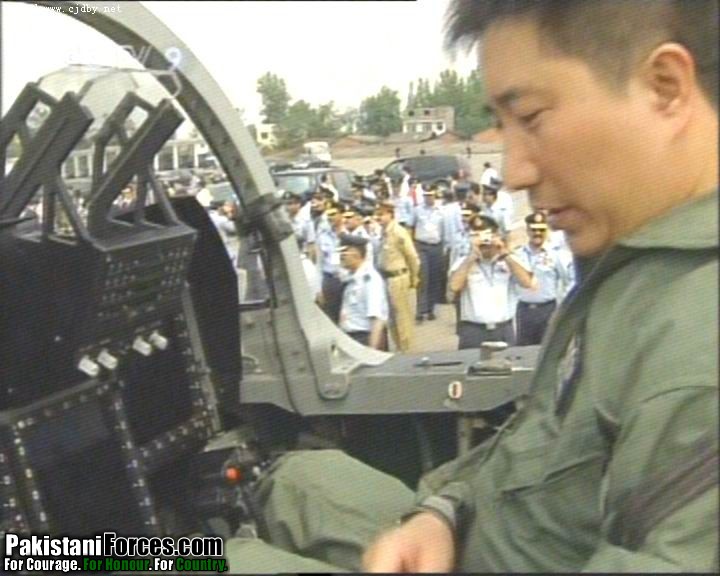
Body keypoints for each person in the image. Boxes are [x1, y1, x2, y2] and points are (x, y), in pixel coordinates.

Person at [227, 0, 718, 573]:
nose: (513, 173)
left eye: (531, 117)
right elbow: (537, 449)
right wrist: (443, 510)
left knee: (163, 559)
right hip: (481, 537)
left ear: (665, 87)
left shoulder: (695, 340)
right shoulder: (638, 274)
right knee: (299, 480)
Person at [447, 215, 536, 348]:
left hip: (503, 329)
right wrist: (472, 256)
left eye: (486, 235)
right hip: (473, 330)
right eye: (476, 235)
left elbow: (527, 283)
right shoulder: (463, 263)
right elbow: (454, 286)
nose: (484, 242)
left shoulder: (510, 261)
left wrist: (505, 254)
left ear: (496, 235)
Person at [514, 211, 572, 345]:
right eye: (533, 230)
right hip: (524, 311)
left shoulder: (556, 254)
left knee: (547, 349)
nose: (537, 233)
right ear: (527, 231)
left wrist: (563, 306)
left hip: (547, 310)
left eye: (541, 229)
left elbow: (570, 279)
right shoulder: (518, 254)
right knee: (523, 353)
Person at [375, 201, 420, 352]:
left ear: (390, 214)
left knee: (402, 318)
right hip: (386, 278)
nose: (378, 217)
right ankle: (399, 347)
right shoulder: (383, 232)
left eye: (381, 214)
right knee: (391, 318)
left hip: (398, 277)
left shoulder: (398, 232)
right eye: (377, 214)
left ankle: (407, 351)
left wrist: (414, 278)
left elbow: (412, 257)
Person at [337, 234, 388, 350]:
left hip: (364, 338)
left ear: (356, 254)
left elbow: (377, 319)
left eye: (344, 252)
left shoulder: (370, 280)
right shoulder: (353, 277)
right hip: (352, 338)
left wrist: (372, 351)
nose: (341, 256)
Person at [412, 186, 445, 322]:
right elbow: (411, 226)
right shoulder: (417, 210)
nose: (428, 198)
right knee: (422, 278)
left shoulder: (441, 211)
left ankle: (430, 309)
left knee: (433, 279)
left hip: (436, 246)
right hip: (422, 246)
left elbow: (444, 231)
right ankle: (420, 310)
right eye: (426, 195)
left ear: (435, 196)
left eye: (431, 195)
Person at [316, 201, 346, 324]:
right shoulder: (323, 235)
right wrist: (319, 288)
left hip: (346, 280)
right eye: (328, 214)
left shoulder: (349, 233)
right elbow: (319, 262)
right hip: (330, 280)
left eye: (333, 214)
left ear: (341, 215)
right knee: (331, 317)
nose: (330, 217)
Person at [283, 191, 317, 262]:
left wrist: (310, 263)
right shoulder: (283, 221)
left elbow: (311, 245)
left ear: (298, 204)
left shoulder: (306, 222)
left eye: (291, 203)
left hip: (302, 258)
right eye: (287, 204)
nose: (288, 207)